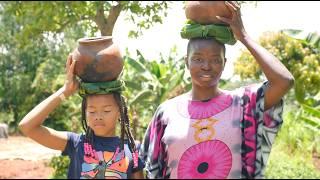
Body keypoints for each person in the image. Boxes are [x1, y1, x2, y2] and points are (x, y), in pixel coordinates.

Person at [140, 1, 294, 179]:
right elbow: (151, 169)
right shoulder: (166, 112)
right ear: (186, 62)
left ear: (224, 64)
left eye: (215, 59)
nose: (206, 66)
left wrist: (243, 36)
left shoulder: (242, 103)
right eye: (197, 59)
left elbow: (284, 81)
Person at [19, 55, 144, 179]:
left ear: (119, 111)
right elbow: (27, 126)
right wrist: (65, 91)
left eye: (106, 110)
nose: (98, 117)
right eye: (92, 111)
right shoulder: (76, 144)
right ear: (84, 112)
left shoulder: (132, 149)